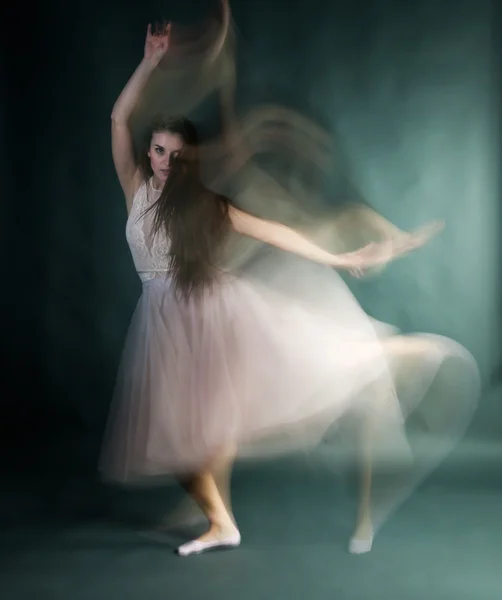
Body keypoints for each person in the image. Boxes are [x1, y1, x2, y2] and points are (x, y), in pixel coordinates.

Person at [99, 21, 473, 558]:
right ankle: (220, 522)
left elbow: (276, 232)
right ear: (149, 153)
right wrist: (150, 63)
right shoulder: (135, 190)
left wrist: (339, 257)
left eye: (176, 155)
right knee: (187, 435)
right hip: (161, 317)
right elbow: (118, 117)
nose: (165, 161)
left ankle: (222, 522)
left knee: (199, 430)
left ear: (186, 162)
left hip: (206, 311)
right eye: (158, 151)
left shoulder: (206, 206)